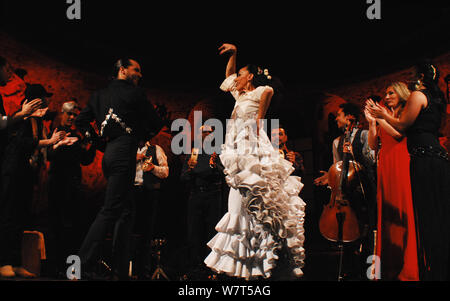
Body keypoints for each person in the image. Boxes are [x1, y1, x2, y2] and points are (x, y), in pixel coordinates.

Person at [204, 43, 306, 279]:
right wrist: (234, 54)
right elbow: (229, 77)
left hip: (252, 144)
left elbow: (266, 98)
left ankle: (270, 257)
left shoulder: (261, 91)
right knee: (238, 202)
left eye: (241, 75)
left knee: (261, 198)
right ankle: (245, 265)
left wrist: (257, 118)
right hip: (237, 148)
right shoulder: (238, 94)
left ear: (250, 76)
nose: (236, 79)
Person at [75, 58, 162, 280]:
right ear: (122, 70)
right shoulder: (135, 94)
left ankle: (120, 271)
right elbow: (155, 122)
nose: (140, 75)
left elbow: (81, 122)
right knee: (111, 209)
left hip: (110, 153)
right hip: (124, 152)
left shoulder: (98, 95)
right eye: (137, 70)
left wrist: (97, 141)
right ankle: (80, 265)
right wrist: (139, 136)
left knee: (125, 211)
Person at [367, 60, 450, 281]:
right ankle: (437, 267)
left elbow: (402, 127)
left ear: (421, 77)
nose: (410, 77)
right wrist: (374, 121)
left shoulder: (416, 96)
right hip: (435, 157)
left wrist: (381, 115)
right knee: (438, 213)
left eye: (413, 74)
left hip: (423, 159)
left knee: (426, 216)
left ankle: (430, 268)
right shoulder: (434, 99)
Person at [0, 84, 68, 279]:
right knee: (8, 217)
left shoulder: (38, 122)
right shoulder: (21, 118)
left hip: (26, 176)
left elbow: (41, 151)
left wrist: (55, 143)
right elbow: (19, 144)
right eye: (43, 98)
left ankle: (15, 262)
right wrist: (48, 142)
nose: (46, 102)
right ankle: (4, 261)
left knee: (21, 218)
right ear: (36, 100)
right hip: (12, 174)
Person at [313, 102, 377, 278]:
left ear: (350, 118)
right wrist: (328, 176)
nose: (336, 119)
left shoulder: (364, 135)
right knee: (348, 238)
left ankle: (373, 272)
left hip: (363, 191)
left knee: (370, 233)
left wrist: (356, 154)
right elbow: (337, 168)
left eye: (339, 115)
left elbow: (372, 159)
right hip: (344, 194)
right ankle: (350, 272)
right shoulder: (336, 142)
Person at [365, 82, 419, 281]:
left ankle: (409, 266)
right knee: (387, 214)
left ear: (402, 93)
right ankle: (389, 265)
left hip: (401, 163)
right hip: (385, 165)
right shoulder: (384, 115)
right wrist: (372, 122)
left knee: (404, 209)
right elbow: (372, 145)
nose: (386, 96)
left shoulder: (405, 112)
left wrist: (380, 118)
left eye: (391, 92)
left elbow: (398, 135)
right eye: (385, 93)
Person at [46, 101, 96, 278]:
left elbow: (85, 160)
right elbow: (49, 155)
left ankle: (70, 270)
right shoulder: (54, 132)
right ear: (61, 113)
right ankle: (54, 268)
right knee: (56, 226)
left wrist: (92, 145)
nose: (71, 117)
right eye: (69, 113)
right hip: (57, 185)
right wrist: (57, 143)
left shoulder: (76, 135)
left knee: (74, 227)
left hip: (73, 186)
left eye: (74, 115)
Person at [180, 125, 225, 278]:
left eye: (208, 132)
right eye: (203, 132)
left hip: (213, 196)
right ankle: (194, 266)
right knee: (194, 232)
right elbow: (183, 177)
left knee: (212, 232)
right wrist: (192, 171)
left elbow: (224, 174)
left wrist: (213, 167)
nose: (205, 134)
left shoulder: (217, 152)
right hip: (196, 196)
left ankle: (210, 266)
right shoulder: (193, 153)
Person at [132, 139, 168, 279]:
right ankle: (127, 269)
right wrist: (132, 159)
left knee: (146, 234)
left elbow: (165, 172)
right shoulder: (129, 147)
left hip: (149, 194)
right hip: (131, 192)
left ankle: (143, 272)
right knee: (128, 231)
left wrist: (153, 168)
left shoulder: (156, 149)